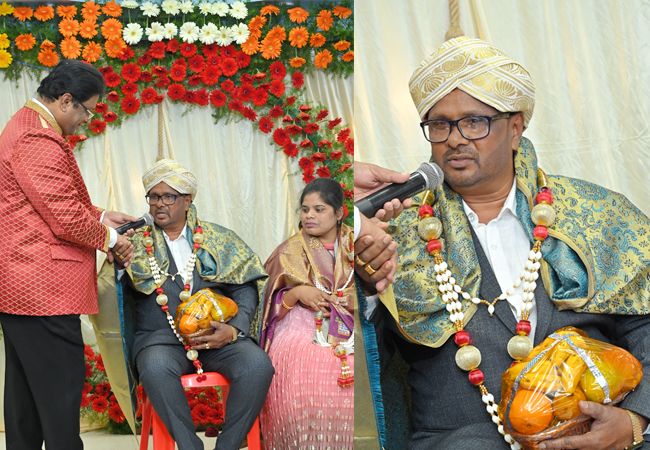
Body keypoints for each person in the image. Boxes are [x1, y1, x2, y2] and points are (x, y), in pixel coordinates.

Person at [357, 37, 650, 450]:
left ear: (515, 128)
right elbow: (373, 365)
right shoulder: (393, 233)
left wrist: (635, 419)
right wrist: (367, 291)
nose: (454, 138)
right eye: (439, 124)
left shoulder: (596, 213)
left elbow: (644, 323)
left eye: (473, 121)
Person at [0, 59, 136, 450]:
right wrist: (112, 239)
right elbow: (64, 220)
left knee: (25, 402)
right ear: (65, 100)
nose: (86, 119)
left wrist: (102, 215)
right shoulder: (37, 138)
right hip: (41, 291)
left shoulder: (27, 125)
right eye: (87, 109)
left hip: (25, 291)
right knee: (59, 401)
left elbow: (48, 204)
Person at [112, 159, 273, 450]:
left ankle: (228, 446)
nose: (159, 204)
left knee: (257, 366)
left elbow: (246, 286)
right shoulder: (132, 243)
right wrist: (118, 264)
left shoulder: (217, 238)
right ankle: (190, 447)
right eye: (154, 197)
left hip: (216, 339)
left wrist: (234, 330)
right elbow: (116, 294)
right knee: (156, 369)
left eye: (168, 197)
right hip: (160, 342)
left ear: (187, 201)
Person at [260, 178, 354, 449]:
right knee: (307, 365)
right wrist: (298, 293)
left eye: (319, 209)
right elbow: (266, 303)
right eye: (305, 209)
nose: (309, 215)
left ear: (339, 213)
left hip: (353, 323)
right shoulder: (288, 251)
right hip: (301, 323)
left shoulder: (357, 243)